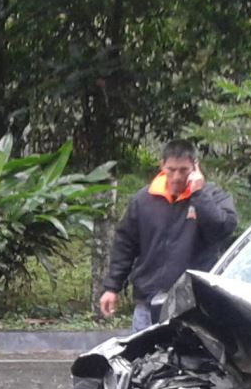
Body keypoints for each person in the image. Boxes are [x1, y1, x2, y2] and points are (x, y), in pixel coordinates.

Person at [96, 140, 238, 330]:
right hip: (148, 303)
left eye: (184, 170)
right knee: (142, 358)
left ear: (195, 167)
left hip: (193, 306)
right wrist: (111, 288)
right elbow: (125, 245)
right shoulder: (143, 200)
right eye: (171, 169)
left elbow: (222, 230)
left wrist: (199, 195)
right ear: (162, 165)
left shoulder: (212, 197)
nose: (177, 176)